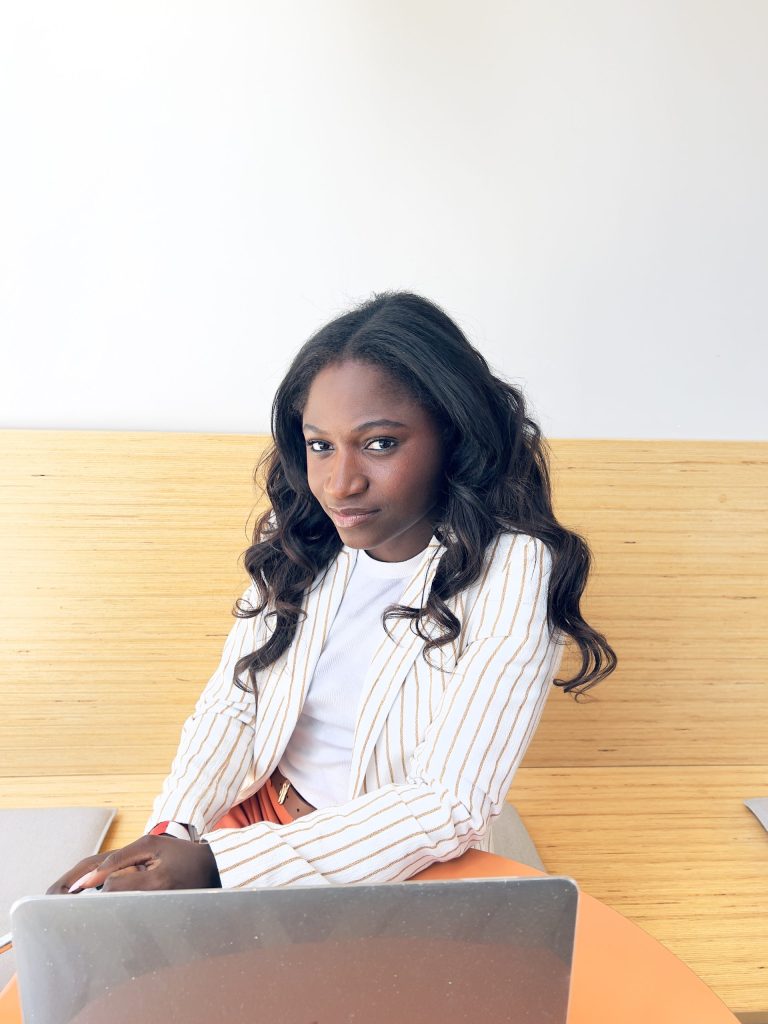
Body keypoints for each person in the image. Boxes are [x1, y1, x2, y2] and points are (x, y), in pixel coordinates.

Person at [48, 290, 616, 895]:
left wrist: (217, 867)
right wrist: (172, 834)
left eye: (380, 443)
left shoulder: (515, 568)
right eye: (320, 445)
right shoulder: (302, 535)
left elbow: (449, 803)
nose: (340, 484)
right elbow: (235, 705)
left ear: (455, 437)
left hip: (392, 860)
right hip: (249, 817)